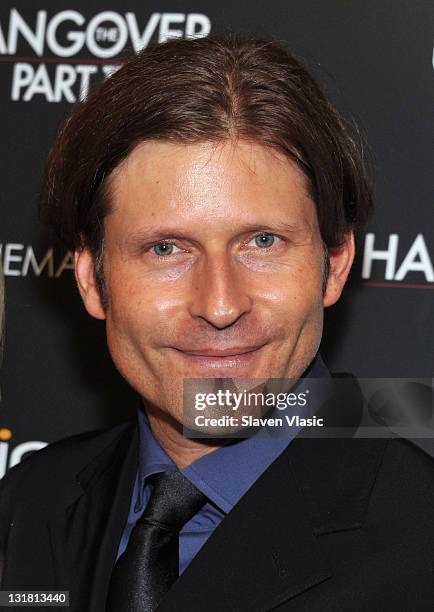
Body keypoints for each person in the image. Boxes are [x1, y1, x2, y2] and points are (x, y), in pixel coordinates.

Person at [1, 34, 433, 611]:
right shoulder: (29, 504)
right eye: (165, 249)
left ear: (334, 265)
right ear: (91, 279)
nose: (221, 304)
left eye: (262, 241)